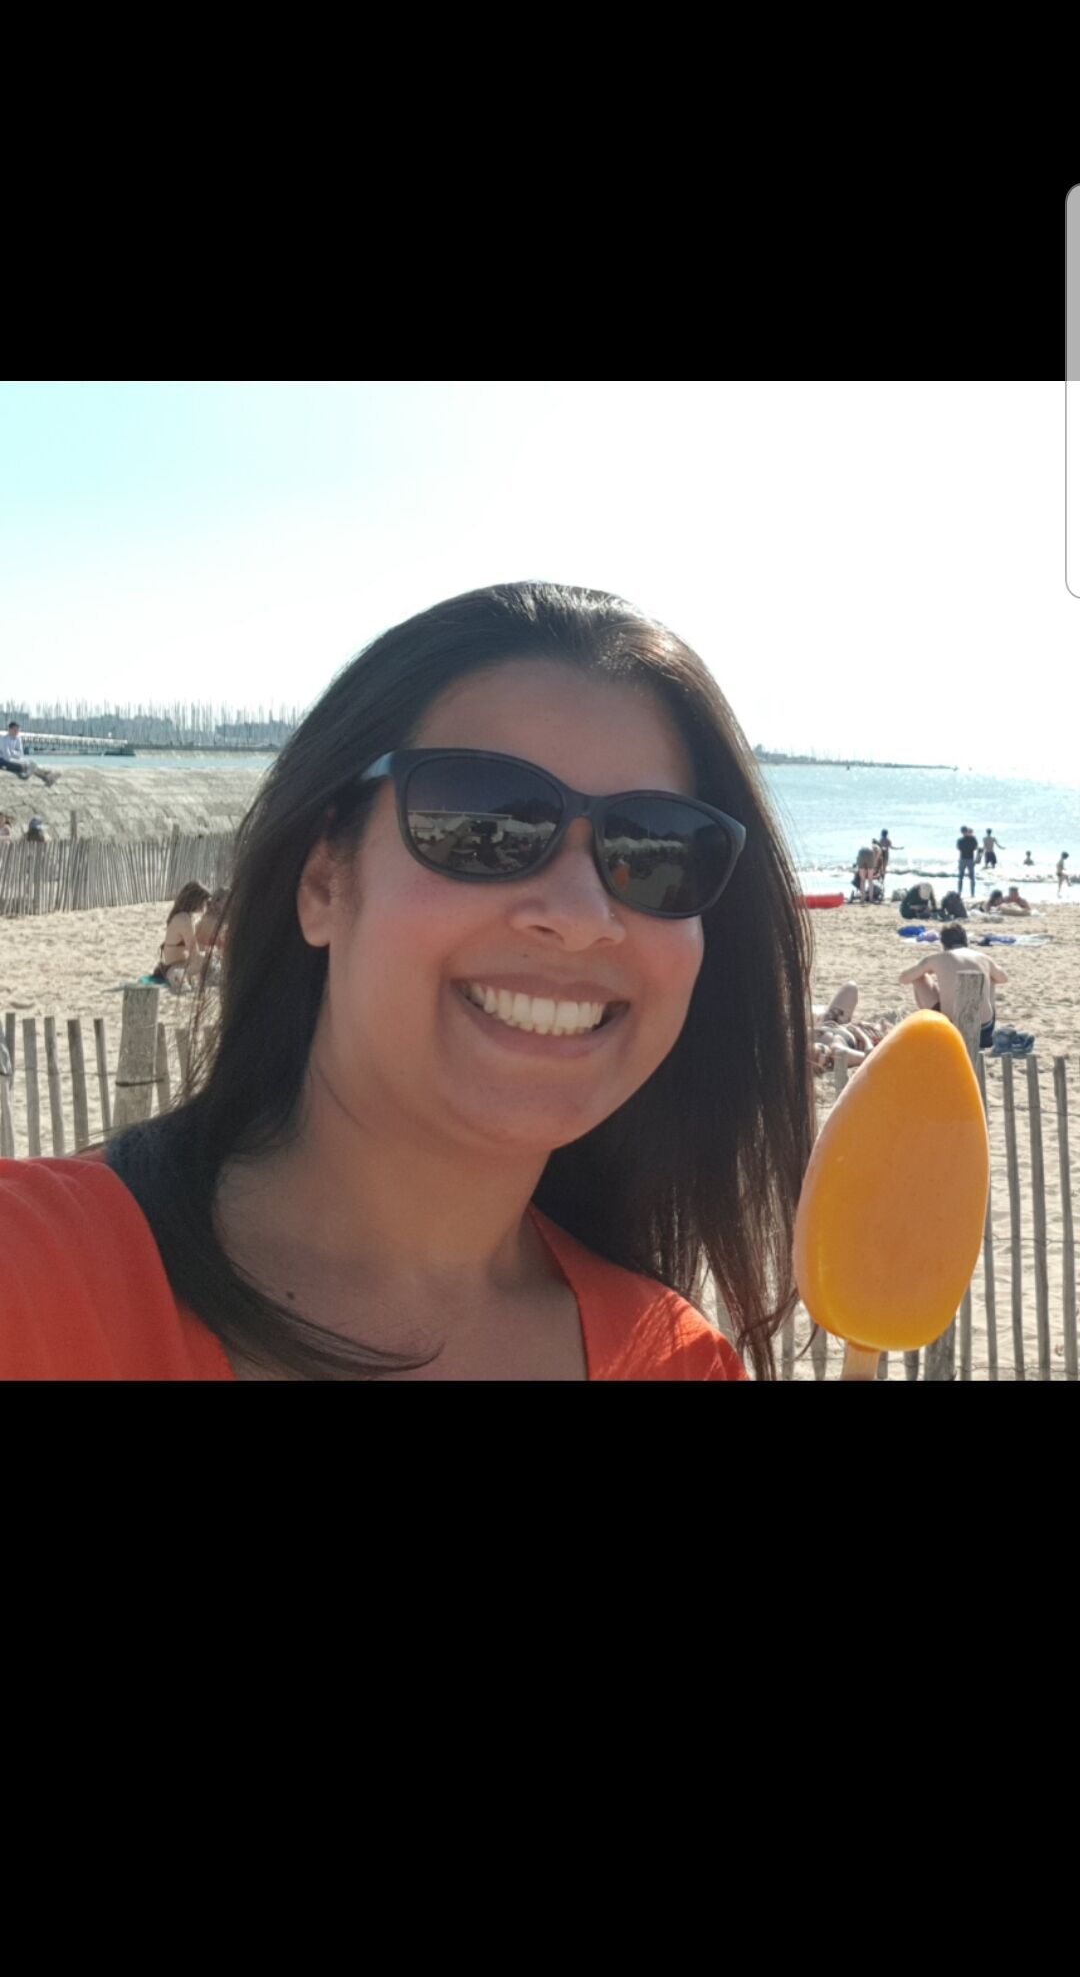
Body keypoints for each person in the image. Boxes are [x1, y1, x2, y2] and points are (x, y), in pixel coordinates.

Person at [0, 580, 816, 1382]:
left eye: (660, 848)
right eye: (483, 823)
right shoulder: (33, 1278)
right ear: (324, 880)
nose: (579, 915)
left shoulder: (678, 1363)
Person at [898, 922, 1006, 1049]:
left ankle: (931, 1023)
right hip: (984, 1031)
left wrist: (929, 970)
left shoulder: (937, 958)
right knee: (992, 978)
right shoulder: (983, 957)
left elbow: (904, 978)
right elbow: (1003, 978)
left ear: (943, 944)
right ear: (965, 941)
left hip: (952, 1031)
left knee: (919, 978)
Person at [150, 881, 212, 991]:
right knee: (210, 961)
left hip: (178, 965)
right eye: (204, 902)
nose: (205, 905)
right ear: (196, 901)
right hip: (175, 968)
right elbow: (194, 952)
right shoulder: (184, 919)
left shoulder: (184, 916)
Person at [0, 721, 57, 788]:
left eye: (18, 731)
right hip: (3, 761)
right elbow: (7, 757)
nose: (16, 732)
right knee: (29, 765)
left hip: (14, 759)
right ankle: (45, 775)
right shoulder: (4, 740)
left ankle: (46, 777)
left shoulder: (18, 739)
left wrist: (12, 752)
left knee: (31, 763)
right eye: (14, 730)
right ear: (9, 729)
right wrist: (16, 754)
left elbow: (21, 754)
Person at [957, 825, 978, 897]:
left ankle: (959, 893)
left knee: (961, 877)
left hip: (963, 859)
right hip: (970, 859)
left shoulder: (960, 840)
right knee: (971, 877)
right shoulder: (973, 839)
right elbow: (975, 848)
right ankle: (972, 894)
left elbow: (958, 848)